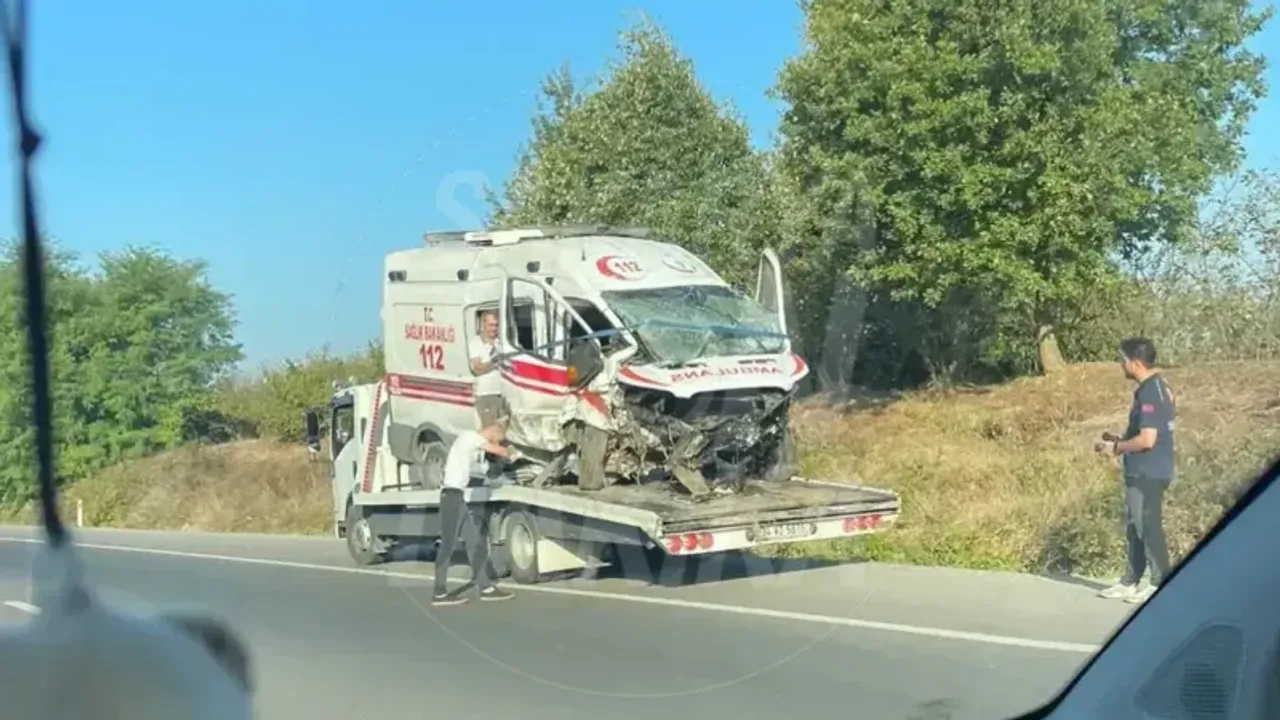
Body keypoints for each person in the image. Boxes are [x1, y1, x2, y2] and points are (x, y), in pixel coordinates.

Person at [1094, 337, 1177, 605]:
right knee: (1135, 526)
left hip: (1148, 471)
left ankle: (1158, 582)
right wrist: (1118, 440)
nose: (1121, 364)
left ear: (1136, 363)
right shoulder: (1157, 387)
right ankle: (1131, 581)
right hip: (1144, 469)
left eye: (1123, 359)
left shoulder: (1151, 390)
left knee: (1148, 526)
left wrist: (1116, 448)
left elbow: (1147, 439)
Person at [433, 420, 520, 606]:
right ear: (494, 433)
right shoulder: (470, 437)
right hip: (451, 497)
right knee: (448, 544)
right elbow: (499, 451)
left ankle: (485, 587)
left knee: (474, 542)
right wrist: (513, 453)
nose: (498, 442)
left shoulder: (469, 441)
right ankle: (439, 593)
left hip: (457, 497)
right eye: (499, 439)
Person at [470, 309, 506, 427]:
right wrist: (494, 363)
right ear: (483, 325)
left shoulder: (501, 342)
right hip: (486, 395)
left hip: (503, 394)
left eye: (496, 325)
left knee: (503, 432)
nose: (494, 328)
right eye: (491, 325)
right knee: (490, 432)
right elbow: (477, 368)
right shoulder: (476, 343)